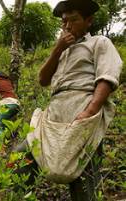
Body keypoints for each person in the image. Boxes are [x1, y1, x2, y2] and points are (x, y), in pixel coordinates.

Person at [14, 0, 123, 200]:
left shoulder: (99, 43)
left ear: (88, 21)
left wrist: (89, 112)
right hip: (54, 112)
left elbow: (107, 78)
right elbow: (43, 80)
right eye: (64, 21)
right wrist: (58, 49)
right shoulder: (61, 50)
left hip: (81, 108)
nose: (67, 26)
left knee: (82, 178)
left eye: (73, 20)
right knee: (21, 158)